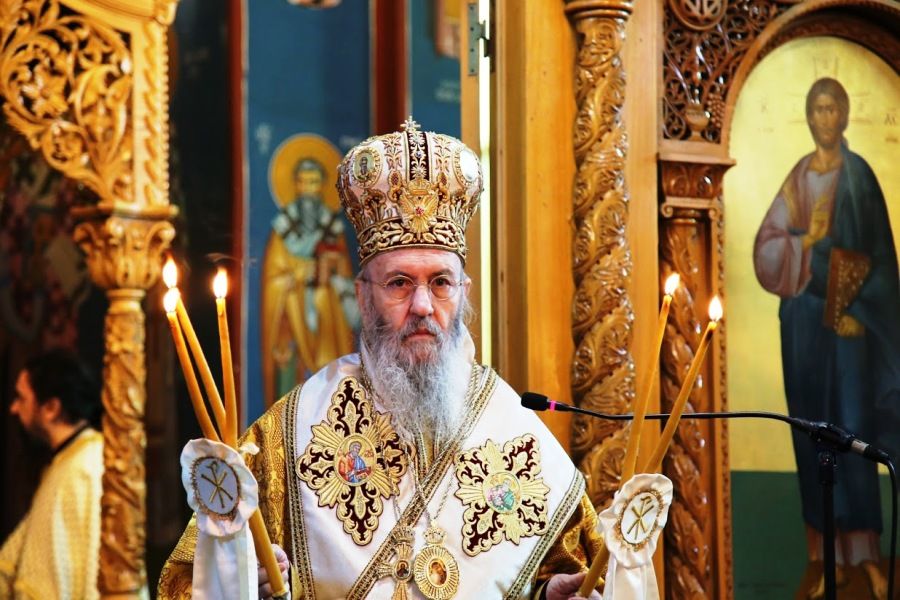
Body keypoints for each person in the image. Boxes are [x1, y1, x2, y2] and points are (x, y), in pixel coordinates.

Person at [159, 119, 604, 599]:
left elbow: (576, 573)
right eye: (399, 283)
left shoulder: (514, 429)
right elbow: (188, 582)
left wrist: (547, 595)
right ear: (363, 296)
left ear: (464, 292)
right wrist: (247, 584)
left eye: (440, 282)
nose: (422, 305)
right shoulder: (291, 432)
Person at [753, 78, 900, 600]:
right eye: (817, 108)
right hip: (805, 330)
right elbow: (766, 249)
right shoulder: (798, 179)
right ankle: (823, 557)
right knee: (810, 434)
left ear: (845, 115)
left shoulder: (859, 177)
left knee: (854, 432)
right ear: (809, 117)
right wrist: (807, 243)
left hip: (851, 334)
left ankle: (868, 557)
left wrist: (858, 310)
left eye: (833, 107)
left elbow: (881, 261)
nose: (825, 118)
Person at [0, 348, 103, 599]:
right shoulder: (68, 461)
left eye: (21, 398)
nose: (14, 408)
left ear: (51, 408)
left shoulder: (83, 467)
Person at [261, 156, 360, 405]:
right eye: (303, 182)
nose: (308, 189)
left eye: (314, 182)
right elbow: (273, 279)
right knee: (290, 397)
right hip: (291, 320)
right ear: (296, 185)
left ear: (322, 186)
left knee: (329, 396)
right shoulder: (282, 229)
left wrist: (331, 272)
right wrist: (298, 275)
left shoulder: (332, 228)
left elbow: (345, 276)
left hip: (327, 323)